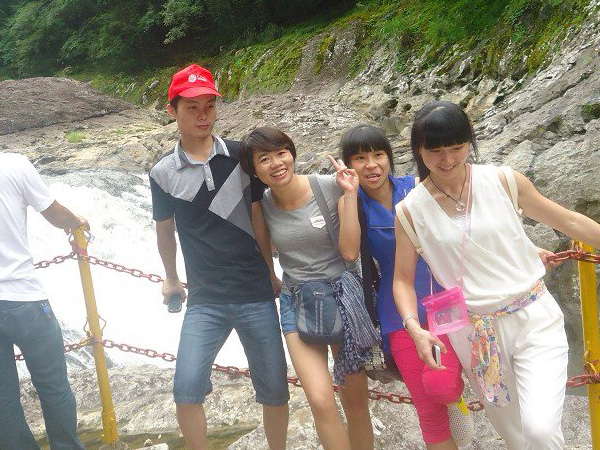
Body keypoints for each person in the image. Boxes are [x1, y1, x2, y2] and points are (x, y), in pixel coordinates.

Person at [393, 100, 600, 449]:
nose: (447, 159)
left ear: (469, 142)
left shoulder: (503, 181)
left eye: (456, 147)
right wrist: (414, 328)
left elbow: (568, 221)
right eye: (435, 150)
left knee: (540, 430)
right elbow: (401, 279)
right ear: (419, 150)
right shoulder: (410, 211)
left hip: (532, 316)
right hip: (474, 334)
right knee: (516, 436)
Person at [149, 65, 289, 450]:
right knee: (186, 390)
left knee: (275, 390)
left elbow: (258, 215)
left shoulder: (242, 156)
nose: (203, 115)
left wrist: (271, 272)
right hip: (205, 299)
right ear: (172, 111)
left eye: (209, 106)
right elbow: (164, 229)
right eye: (192, 107)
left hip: (255, 293)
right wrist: (170, 277)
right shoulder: (163, 172)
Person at [332, 124, 472, 449]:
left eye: (378, 154)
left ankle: (455, 399)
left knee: (442, 386)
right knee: (428, 411)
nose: (371, 165)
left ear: (389, 157)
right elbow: (349, 252)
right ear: (349, 165)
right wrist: (350, 195)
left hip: (443, 299)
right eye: (360, 158)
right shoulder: (352, 203)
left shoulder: (416, 186)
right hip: (397, 312)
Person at [239, 126, 376, 450]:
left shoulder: (330, 186)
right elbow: (262, 247)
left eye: (281, 153)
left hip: (342, 298)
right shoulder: (262, 205)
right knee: (320, 400)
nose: (276, 163)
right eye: (264, 159)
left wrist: (350, 195)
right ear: (254, 170)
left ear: (292, 153)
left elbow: (350, 253)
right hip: (296, 300)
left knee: (355, 403)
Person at [0, 153, 87, 450]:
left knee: (3, 400)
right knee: (53, 388)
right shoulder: (14, 164)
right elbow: (55, 214)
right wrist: (76, 222)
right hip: (24, 298)